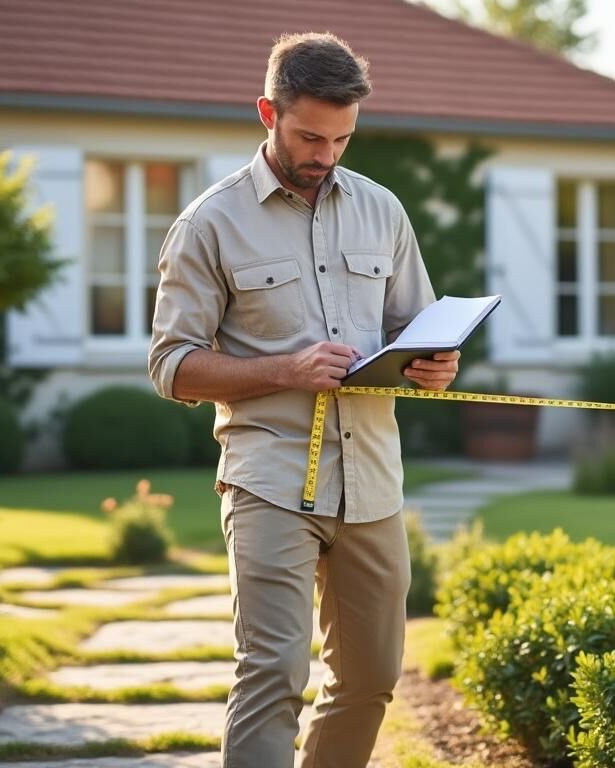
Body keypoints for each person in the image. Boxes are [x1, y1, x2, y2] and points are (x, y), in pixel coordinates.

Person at [148, 32, 459, 768]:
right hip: (270, 480)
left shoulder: (384, 211)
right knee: (273, 674)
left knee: (373, 677)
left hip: (373, 484)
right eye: (310, 136)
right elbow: (171, 365)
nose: (325, 154)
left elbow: (412, 327)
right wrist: (286, 370)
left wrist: (434, 362)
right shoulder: (210, 223)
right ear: (268, 112)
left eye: (342, 138)